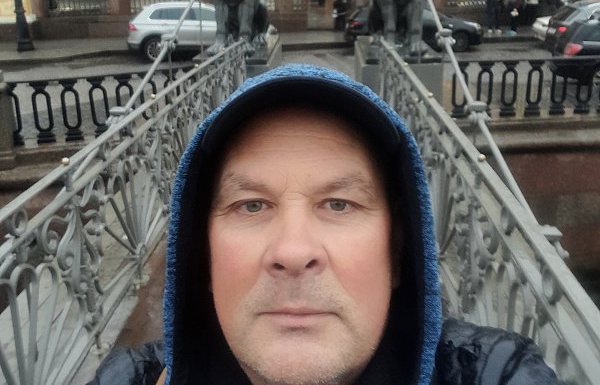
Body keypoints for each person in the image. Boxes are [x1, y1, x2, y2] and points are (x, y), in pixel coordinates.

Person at [87, 65, 565, 385]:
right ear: (202, 257)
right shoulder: (130, 377)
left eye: (339, 204)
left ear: (397, 252)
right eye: (251, 206)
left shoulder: (491, 371)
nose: (293, 251)